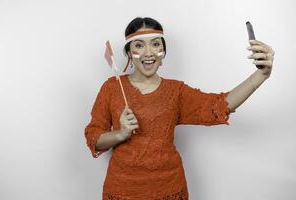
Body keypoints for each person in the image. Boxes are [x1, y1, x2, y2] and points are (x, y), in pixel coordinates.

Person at [84, 17, 275, 200]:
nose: (148, 52)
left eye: (156, 44)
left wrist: (261, 75)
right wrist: (120, 134)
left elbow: (218, 105)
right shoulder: (111, 88)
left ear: (163, 52)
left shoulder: (176, 91)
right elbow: (94, 138)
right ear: (128, 53)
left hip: (169, 187)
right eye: (139, 45)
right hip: (123, 189)